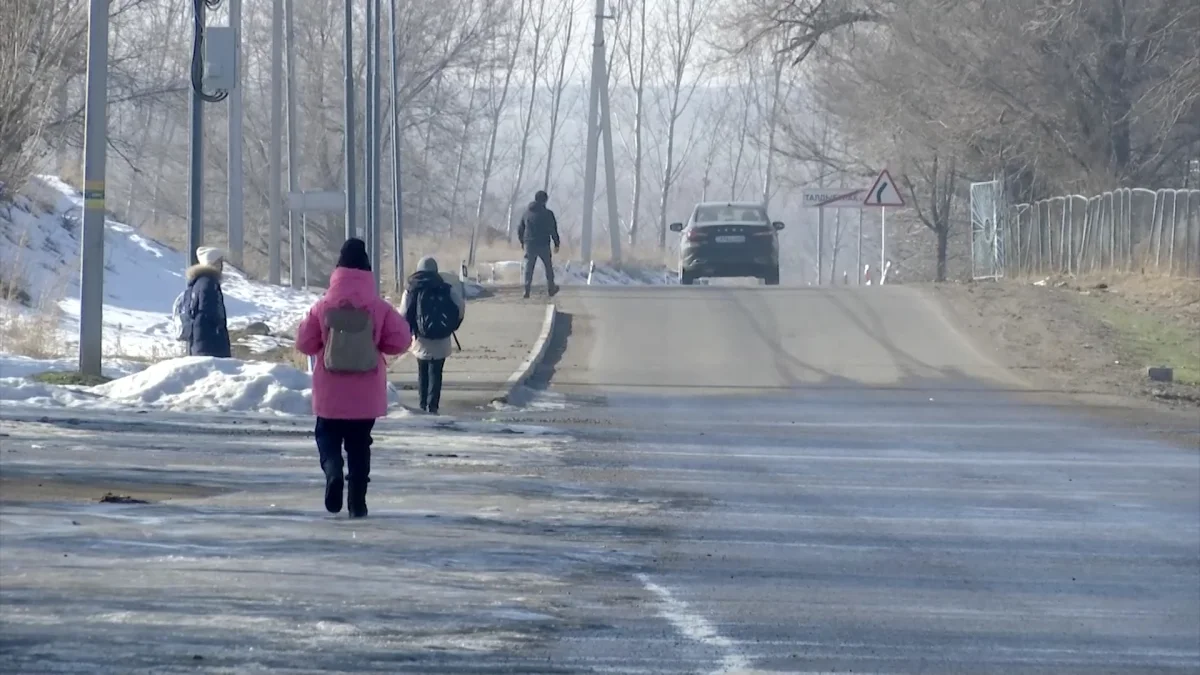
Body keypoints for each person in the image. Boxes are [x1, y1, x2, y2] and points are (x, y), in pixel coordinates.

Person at [296, 238, 412, 518]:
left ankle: (333, 470)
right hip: (365, 395)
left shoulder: (323, 306)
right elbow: (401, 341)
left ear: (338, 270)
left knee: (327, 436)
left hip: (330, 393)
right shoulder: (378, 307)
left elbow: (304, 342)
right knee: (360, 445)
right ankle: (357, 500)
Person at [399, 257, 465, 415]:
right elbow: (460, 307)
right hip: (442, 336)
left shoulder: (412, 289)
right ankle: (433, 406)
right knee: (436, 371)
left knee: (422, 371)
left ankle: (422, 404)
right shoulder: (445, 288)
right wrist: (452, 325)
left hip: (420, 338)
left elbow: (403, 313)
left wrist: (410, 328)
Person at [180, 246, 232, 358]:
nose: (221, 266)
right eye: (219, 262)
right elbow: (208, 308)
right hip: (210, 339)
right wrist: (218, 327)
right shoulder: (209, 282)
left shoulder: (197, 282)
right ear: (212, 262)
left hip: (199, 337)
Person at [517, 190, 560, 299]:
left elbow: (520, 228)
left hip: (529, 244)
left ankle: (526, 290)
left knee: (528, 268)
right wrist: (556, 243)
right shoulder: (548, 214)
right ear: (545, 200)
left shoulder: (527, 213)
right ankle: (551, 288)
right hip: (543, 244)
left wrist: (522, 241)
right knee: (548, 267)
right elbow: (553, 229)